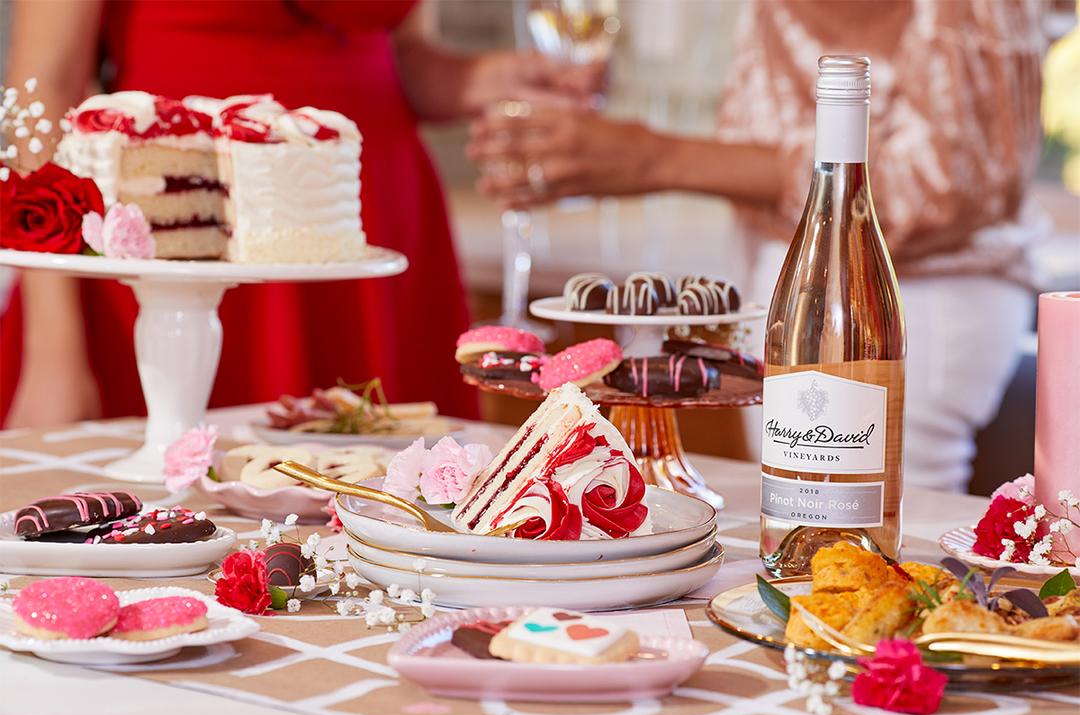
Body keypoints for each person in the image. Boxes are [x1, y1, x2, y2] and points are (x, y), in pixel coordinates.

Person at [468, 0, 1047, 493]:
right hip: (787, 275)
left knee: (875, 547)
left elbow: (939, 183)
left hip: (899, 295)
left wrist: (653, 158)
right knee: (796, 522)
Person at [1, 0, 602, 428]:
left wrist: (490, 77)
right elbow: (43, 85)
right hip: (179, 224)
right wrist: (53, 352)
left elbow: (406, 57)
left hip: (370, 221)